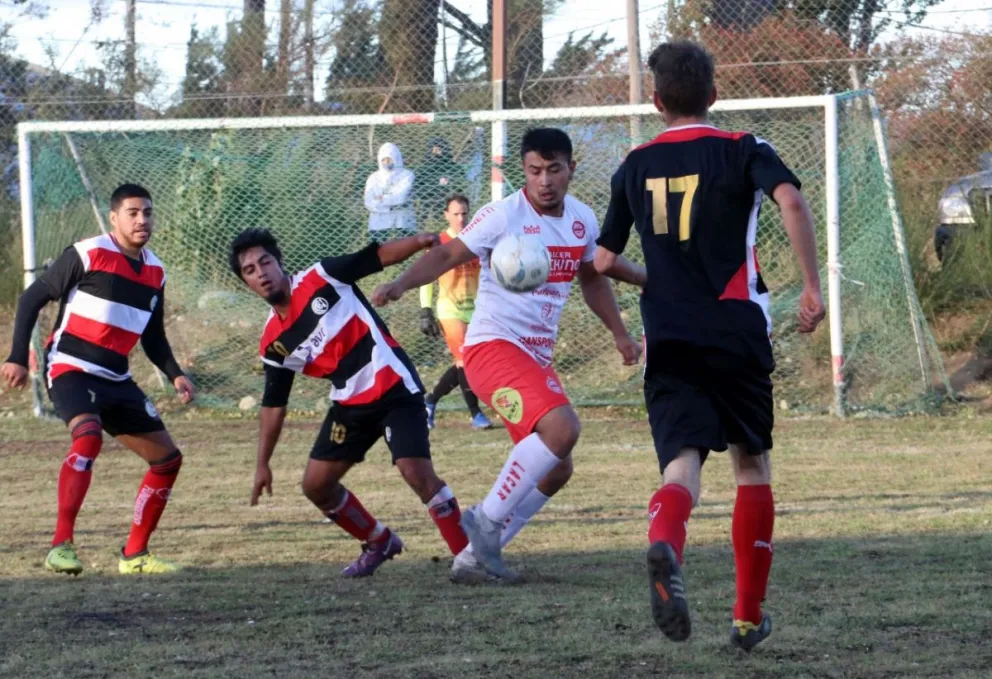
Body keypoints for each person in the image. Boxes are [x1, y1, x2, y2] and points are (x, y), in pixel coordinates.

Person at [593, 41, 826, 651]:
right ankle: (748, 616)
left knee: (682, 463)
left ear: (657, 99)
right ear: (714, 95)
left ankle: (667, 538)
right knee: (751, 463)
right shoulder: (745, 149)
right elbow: (792, 200)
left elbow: (601, 260)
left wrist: (654, 281)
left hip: (668, 330)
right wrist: (810, 287)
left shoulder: (634, 164)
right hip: (735, 325)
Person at [372, 128, 643, 582]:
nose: (545, 181)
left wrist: (620, 333)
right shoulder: (502, 215)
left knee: (557, 469)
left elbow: (592, 279)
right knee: (563, 428)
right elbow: (447, 255)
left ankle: (475, 560)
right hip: (492, 348)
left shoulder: (581, 220)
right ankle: (484, 520)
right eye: (535, 170)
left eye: (554, 169)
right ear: (525, 170)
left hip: (534, 358)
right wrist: (401, 285)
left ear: (571, 169)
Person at [230, 228, 471, 578]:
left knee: (415, 471)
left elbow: (375, 257)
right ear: (246, 282)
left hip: (393, 388)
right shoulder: (273, 343)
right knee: (316, 485)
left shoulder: (321, 277)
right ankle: (379, 541)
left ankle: (468, 555)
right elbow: (273, 404)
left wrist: (420, 242)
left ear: (280, 263)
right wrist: (262, 464)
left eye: (265, 262)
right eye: (250, 270)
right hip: (350, 406)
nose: (261, 272)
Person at [1, 183, 195, 576]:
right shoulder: (88, 253)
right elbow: (31, 298)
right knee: (88, 437)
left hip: (117, 379)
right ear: (114, 217)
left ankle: (135, 555)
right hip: (70, 368)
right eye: (133, 213)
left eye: (148, 213)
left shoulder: (156, 271)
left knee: (167, 461)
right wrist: (17, 357)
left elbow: (152, 336)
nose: (142, 220)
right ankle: (61, 545)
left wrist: (175, 374)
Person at [418, 194, 492, 431]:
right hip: (449, 310)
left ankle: (430, 400)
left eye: (464, 213)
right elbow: (426, 279)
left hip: (476, 310)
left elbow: (487, 274)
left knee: (469, 362)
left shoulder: (477, 239)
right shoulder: (438, 243)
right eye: (456, 214)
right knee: (465, 361)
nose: (461, 218)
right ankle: (475, 413)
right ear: (446, 215)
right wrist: (425, 311)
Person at [364, 143, 417, 238]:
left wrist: (380, 199)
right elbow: (368, 202)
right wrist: (389, 207)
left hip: (402, 223)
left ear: (396, 158)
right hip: (378, 225)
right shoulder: (373, 178)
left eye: (389, 159)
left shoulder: (406, 175)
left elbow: (400, 198)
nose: (386, 162)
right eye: (383, 160)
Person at [415, 137, 464, 223]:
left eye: (439, 149)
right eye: (434, 149)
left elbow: (460, 187)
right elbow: (417, 190)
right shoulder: (423, 169)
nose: (436, 152)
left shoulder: (454, 168)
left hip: (449, 206)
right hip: (427, 208)